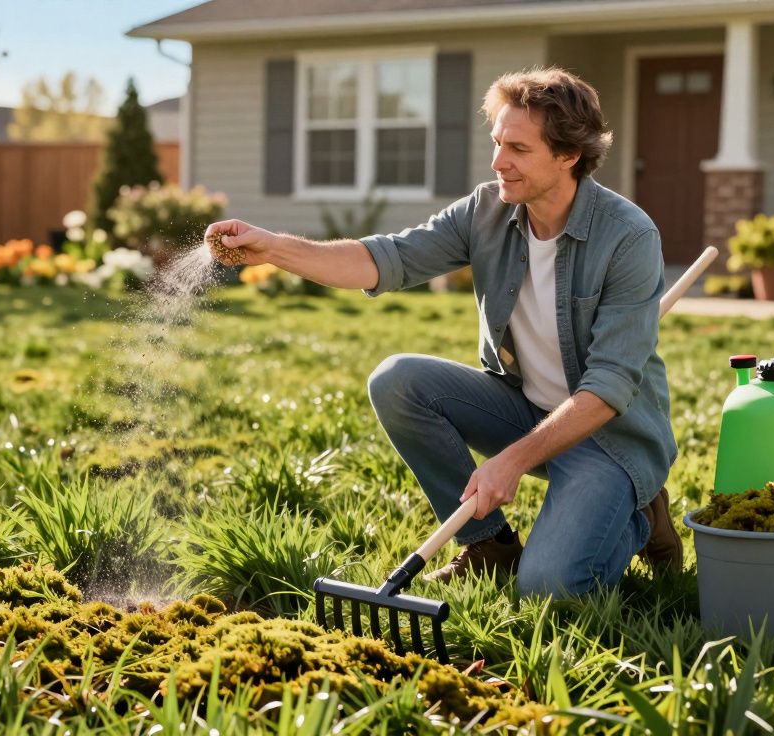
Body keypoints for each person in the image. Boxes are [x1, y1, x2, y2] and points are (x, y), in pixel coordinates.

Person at [204, 67, 681, 598]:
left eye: (518, 149)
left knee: (549, 589)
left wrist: (511, 462)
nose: (499, 161)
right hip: (523, 407)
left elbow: (608, 389)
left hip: (605, 438)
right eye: (498, 142)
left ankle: (639, 515)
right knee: (398, 381)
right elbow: (385, 259)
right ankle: (490, 547)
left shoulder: (629, 237)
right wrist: (273, 247)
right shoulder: (487, 209)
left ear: (569, 155)